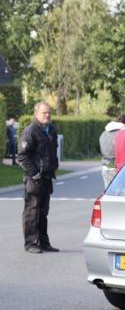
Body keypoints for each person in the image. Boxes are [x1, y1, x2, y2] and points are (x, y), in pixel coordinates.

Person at [17, 102, 60, 253]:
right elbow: (22, 156)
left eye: (49, 112)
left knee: (43, 212)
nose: (47, 115)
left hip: (47, 178)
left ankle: (44, 243)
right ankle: (30, 244)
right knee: (32, 211)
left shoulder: (52, 130)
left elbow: (52, 152)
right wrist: (35, 173)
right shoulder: (31, 131)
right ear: (36, 114)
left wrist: (54, 166)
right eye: (44, 113)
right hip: (34, 179)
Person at [98, 114, 125, 187]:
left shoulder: (104, 133)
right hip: (118, 166)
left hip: (106, 165)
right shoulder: (123, 133)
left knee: (108, 192)